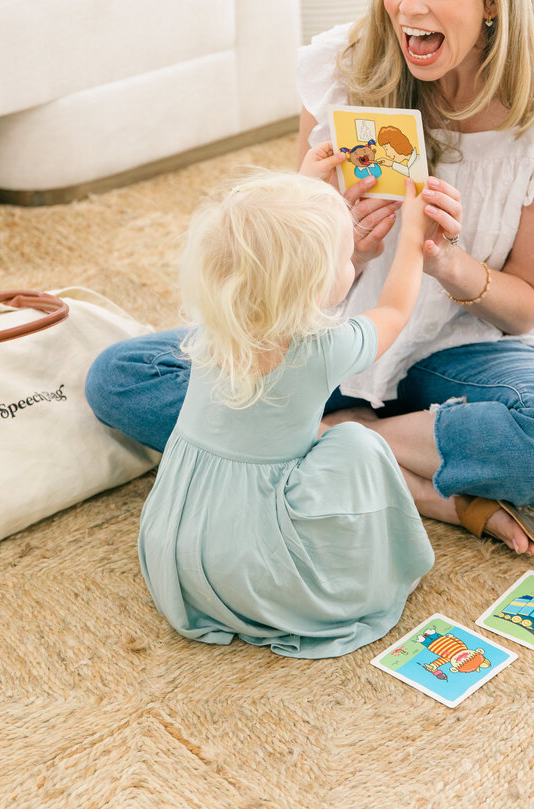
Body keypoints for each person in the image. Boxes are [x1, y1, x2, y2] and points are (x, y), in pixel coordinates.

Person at [86, 0, 534, 557]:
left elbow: (527, 310)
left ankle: (319, 446)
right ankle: (421, 480)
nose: (408, 6)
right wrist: (333, 236)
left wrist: (450, 264)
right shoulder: (345, 70)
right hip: (340, 340)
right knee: (122, 376)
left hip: (467, 355)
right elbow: (282, 288)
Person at [137, 147, 434, 659]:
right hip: (259, 566)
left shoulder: (216, 322)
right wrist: (413, 234)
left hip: (180, 548)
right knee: (357, 444)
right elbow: (395, 307)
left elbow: (263, 251)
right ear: (315, 282)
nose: (350, 264)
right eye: (345, 259)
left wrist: (303, 187)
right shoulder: (323, 349)